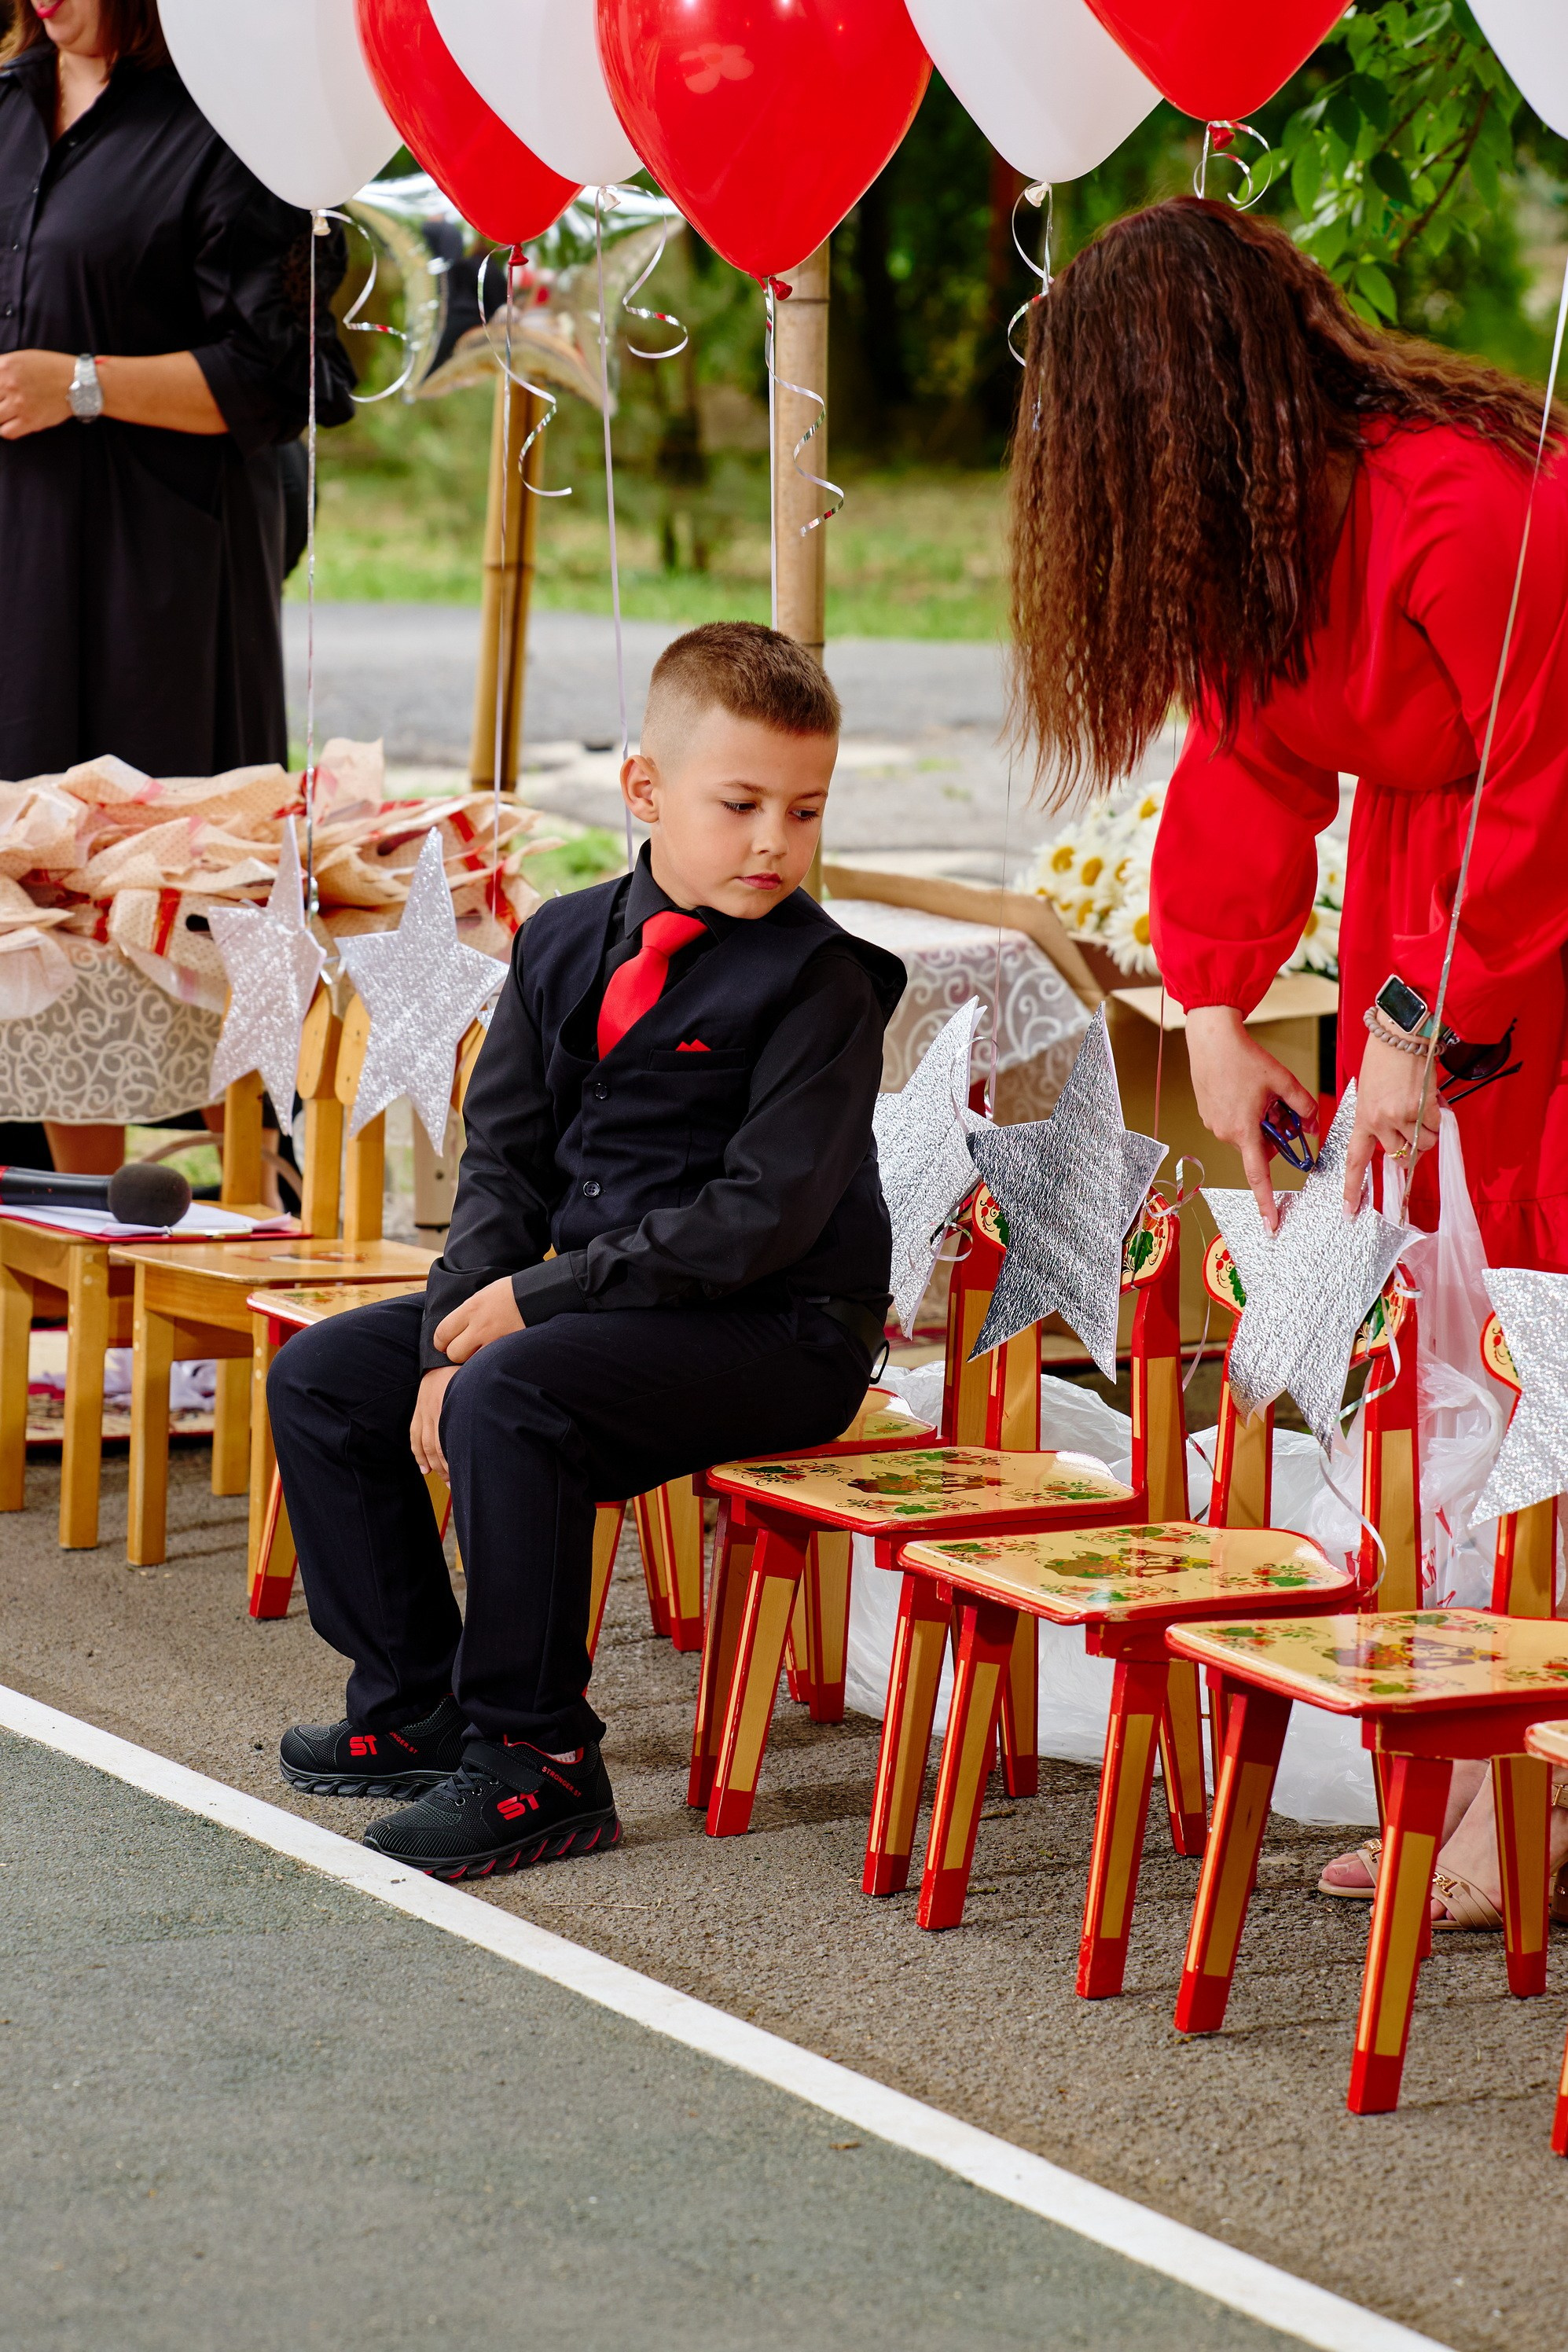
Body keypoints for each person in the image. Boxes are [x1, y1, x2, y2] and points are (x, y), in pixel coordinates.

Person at [1008, 196, 1568, 1927]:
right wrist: (1212, 1014)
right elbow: (1246, 768)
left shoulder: (1469, 507)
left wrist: (1416, 1028)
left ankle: (1533, 1795)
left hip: (1532, 922)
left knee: (1540, 1336)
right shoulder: (1260, 544)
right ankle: (1488, 1756)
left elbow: (1542, 785)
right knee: (1448, 1363)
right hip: (1436, 918)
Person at [267, 623, 905, 1880]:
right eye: (741, 805)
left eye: (806, 810)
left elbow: (759, 1218)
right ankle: (415, 1701)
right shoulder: (561, 940)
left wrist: (537, 1305)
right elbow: (504, 1164)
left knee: (513, 1394)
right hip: (611, 1308)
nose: (775, 842)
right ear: (645, 790)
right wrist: (451, 1333)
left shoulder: (825, 983)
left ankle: (541, 1756)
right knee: (327, 1378)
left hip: (780, 1329)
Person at [0, 0, 354, 1174]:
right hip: (19, 566)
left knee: (184, 882)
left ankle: (263, 1202)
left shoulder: (226, 126)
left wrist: (82, 384)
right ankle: (79, 1218)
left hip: (161, 580)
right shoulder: (6, 110)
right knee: (40, 890)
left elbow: (286, 377)